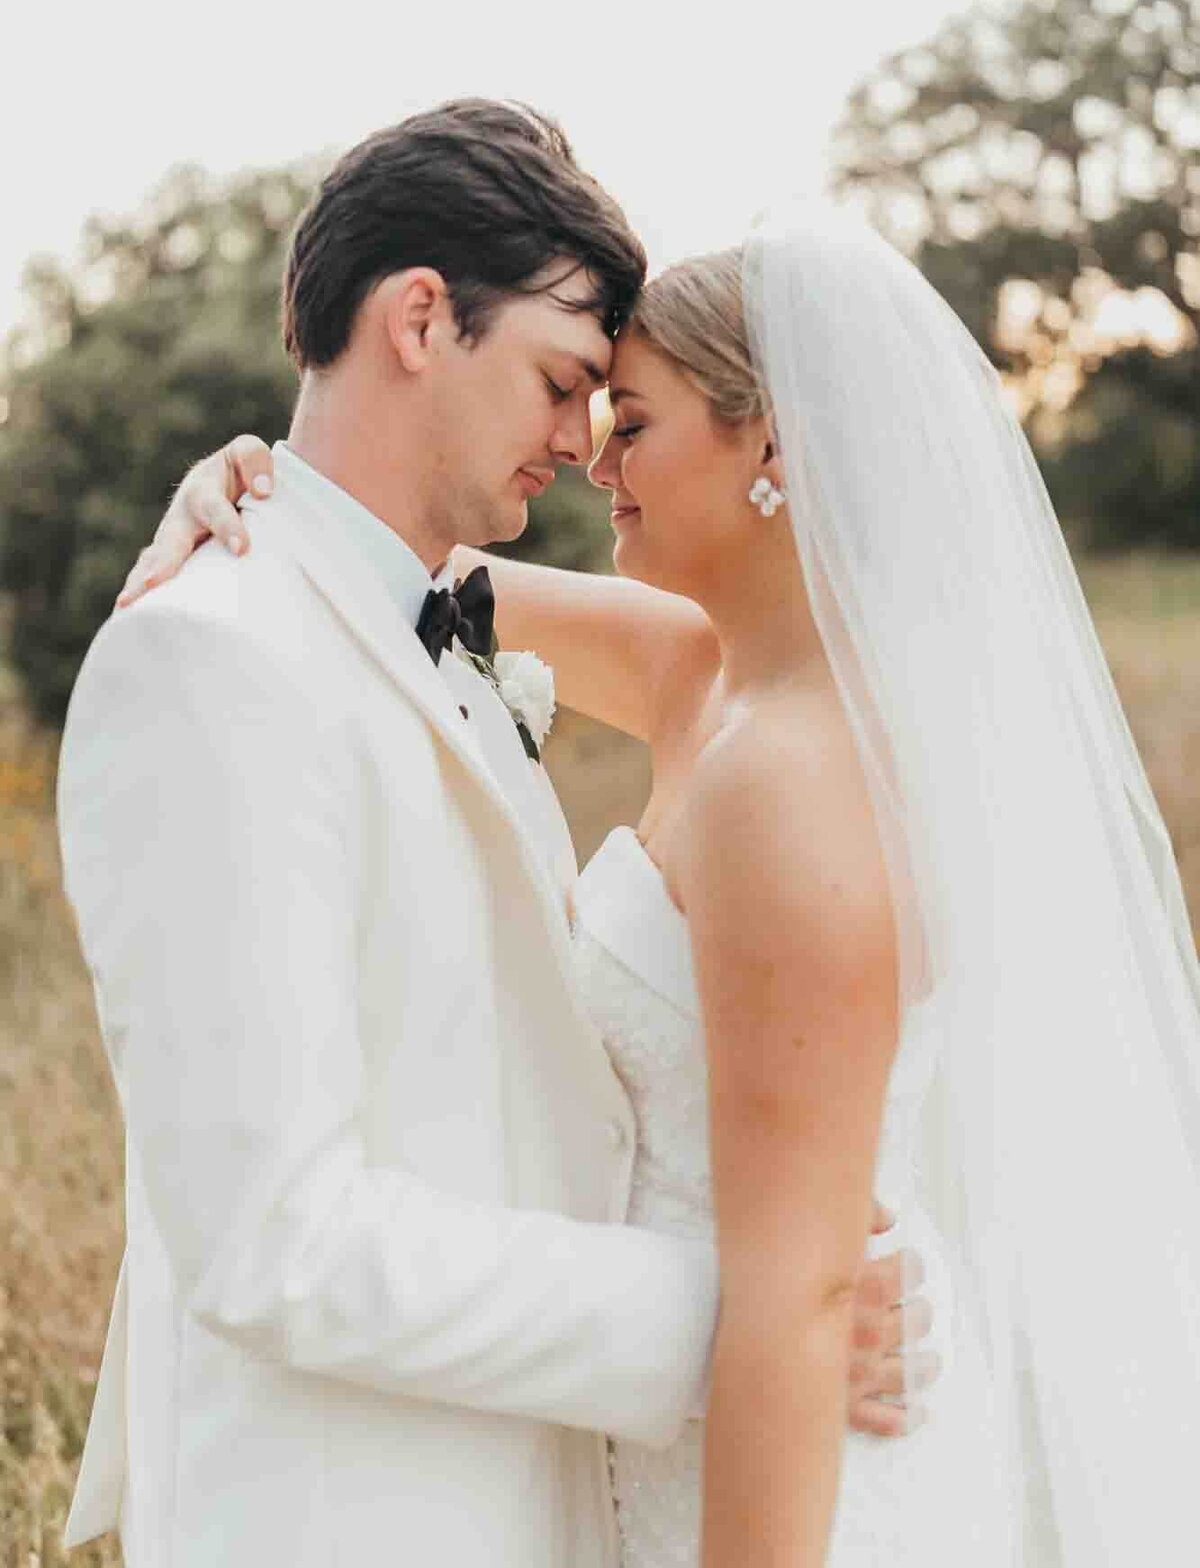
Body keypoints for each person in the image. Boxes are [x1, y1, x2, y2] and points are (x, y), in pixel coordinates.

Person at [137, 200, 1200, 1565]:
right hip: (666, 1421)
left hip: (799, 1477)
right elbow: (408, 578)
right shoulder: (713, 677)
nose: (591, 461)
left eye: (630, 423)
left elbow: (800, 1302)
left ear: (771, 442)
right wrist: (245, 493)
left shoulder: (790, 784)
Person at [58, 105, 919, 1568]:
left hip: (552, 1485)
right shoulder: (209, 661)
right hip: (354, 1516)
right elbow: (274, 1237)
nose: (583, 444)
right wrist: (746, 1310)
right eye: (562, 381)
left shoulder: (417, 609)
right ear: (416, 320)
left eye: (616, 407)